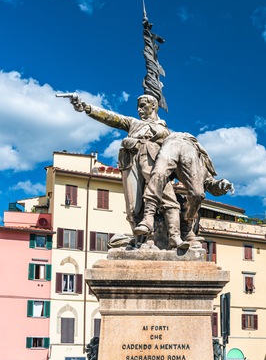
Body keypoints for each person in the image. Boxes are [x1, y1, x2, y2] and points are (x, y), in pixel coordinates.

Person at [70, 94, 183, 249]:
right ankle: (142, 241)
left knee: (168, 199)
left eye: (143, 106)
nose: (139, 110)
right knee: (133, 207)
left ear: (154, 106)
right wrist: (87, 108)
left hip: (156, 165)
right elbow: (112, 118)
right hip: (131, 163)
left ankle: (174, 237)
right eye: (138, 106)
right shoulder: (134, 123)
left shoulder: (166, 130)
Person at [134, 132, 234, 248]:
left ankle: (187, 226)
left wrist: (222, 185)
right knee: (159, 173)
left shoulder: (200, 166)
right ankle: (148, 218)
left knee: (197, 193)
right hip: (172, 141)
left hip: (189, 144)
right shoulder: (172, 143)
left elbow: (209, 183)